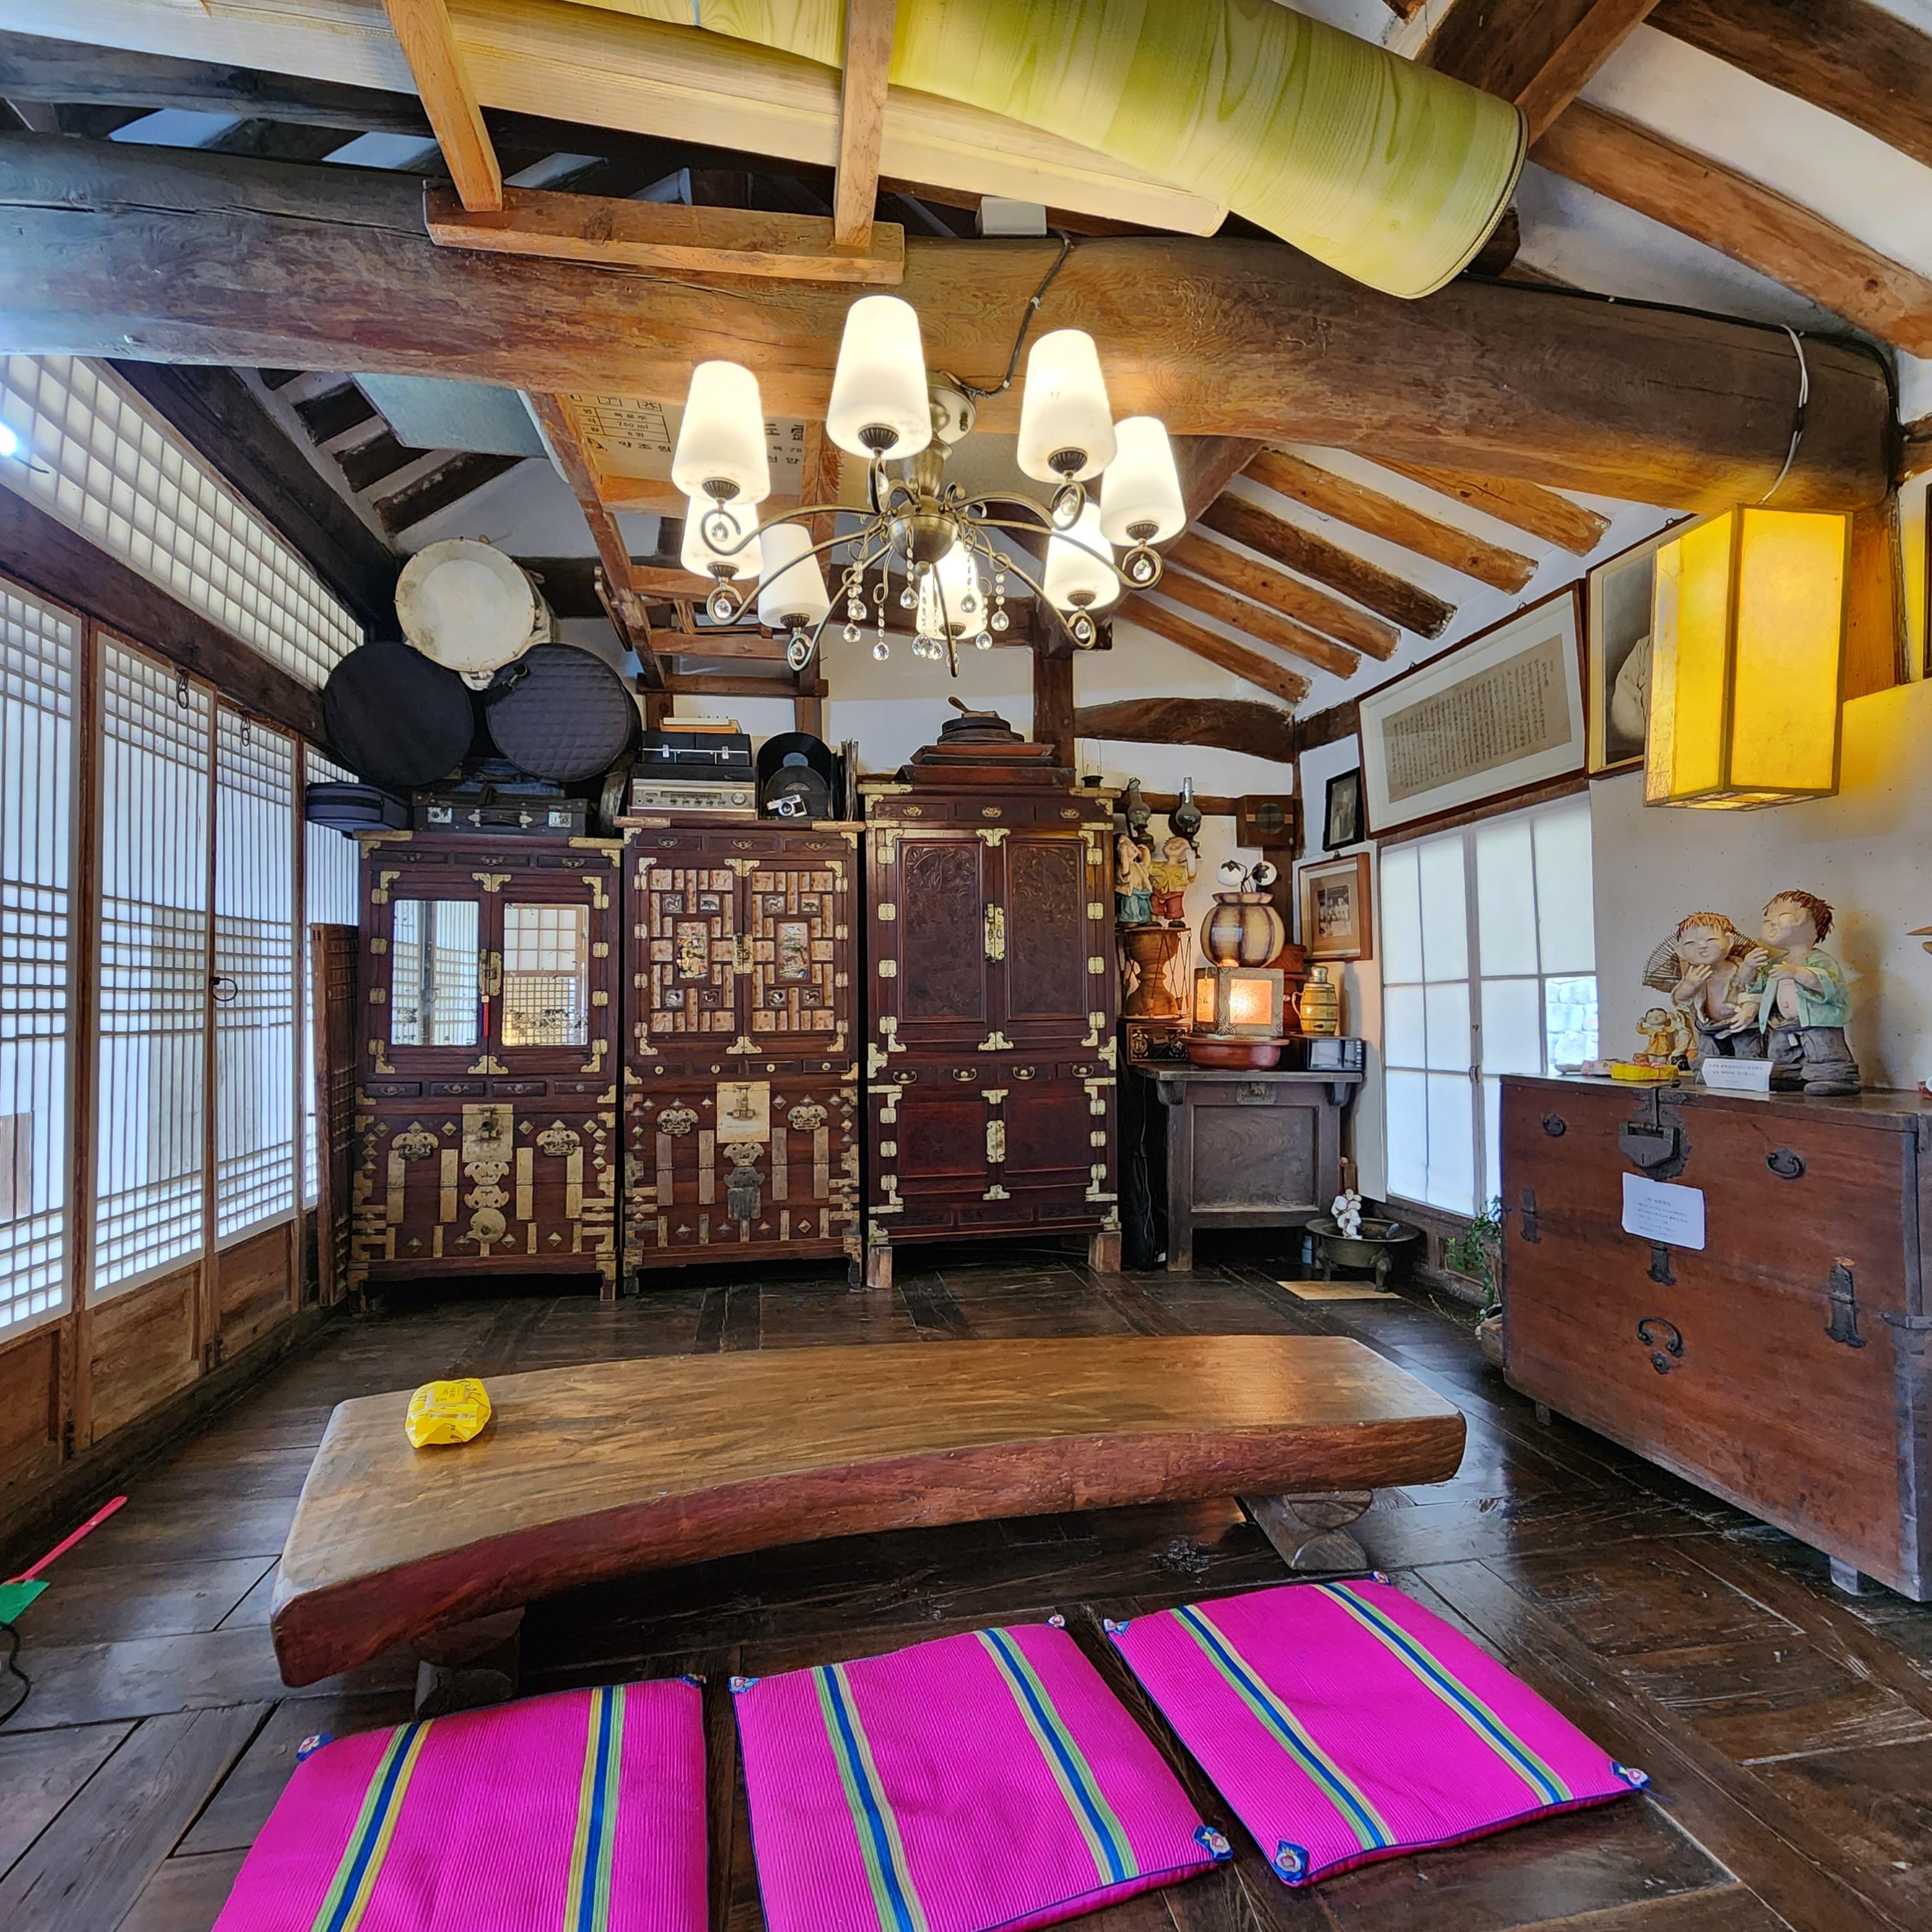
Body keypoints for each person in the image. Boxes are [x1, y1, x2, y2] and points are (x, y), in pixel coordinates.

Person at [1732, 889, 1860, 1094]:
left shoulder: (1819, 960)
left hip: (1816, 1022)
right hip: (1782, 1023)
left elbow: (1829, 984)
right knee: (1782, 1051)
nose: (1772, 923)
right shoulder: (1775, 962)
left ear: (1813, 926)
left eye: (1783, 916)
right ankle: (1788, 1075)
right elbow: (1756, 986)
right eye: (1768, 919)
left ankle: (1833, 1076)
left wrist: (1796, 973)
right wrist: (1749, 967)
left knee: (1823, 1048)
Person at [1667, 912, 1761, 1062]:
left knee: (1747, 1056)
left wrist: (1748, 1011)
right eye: (1691, 943)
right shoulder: (1693, 975)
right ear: (1679, 950)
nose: (1702, 947)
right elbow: (1679, 999)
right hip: (1708, 1027)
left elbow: (1755, 991)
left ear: (1729, 941)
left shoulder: (1740, 969)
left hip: (1742, 1025)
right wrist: (1690, 986)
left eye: (1710, 940)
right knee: (1708, 1059)